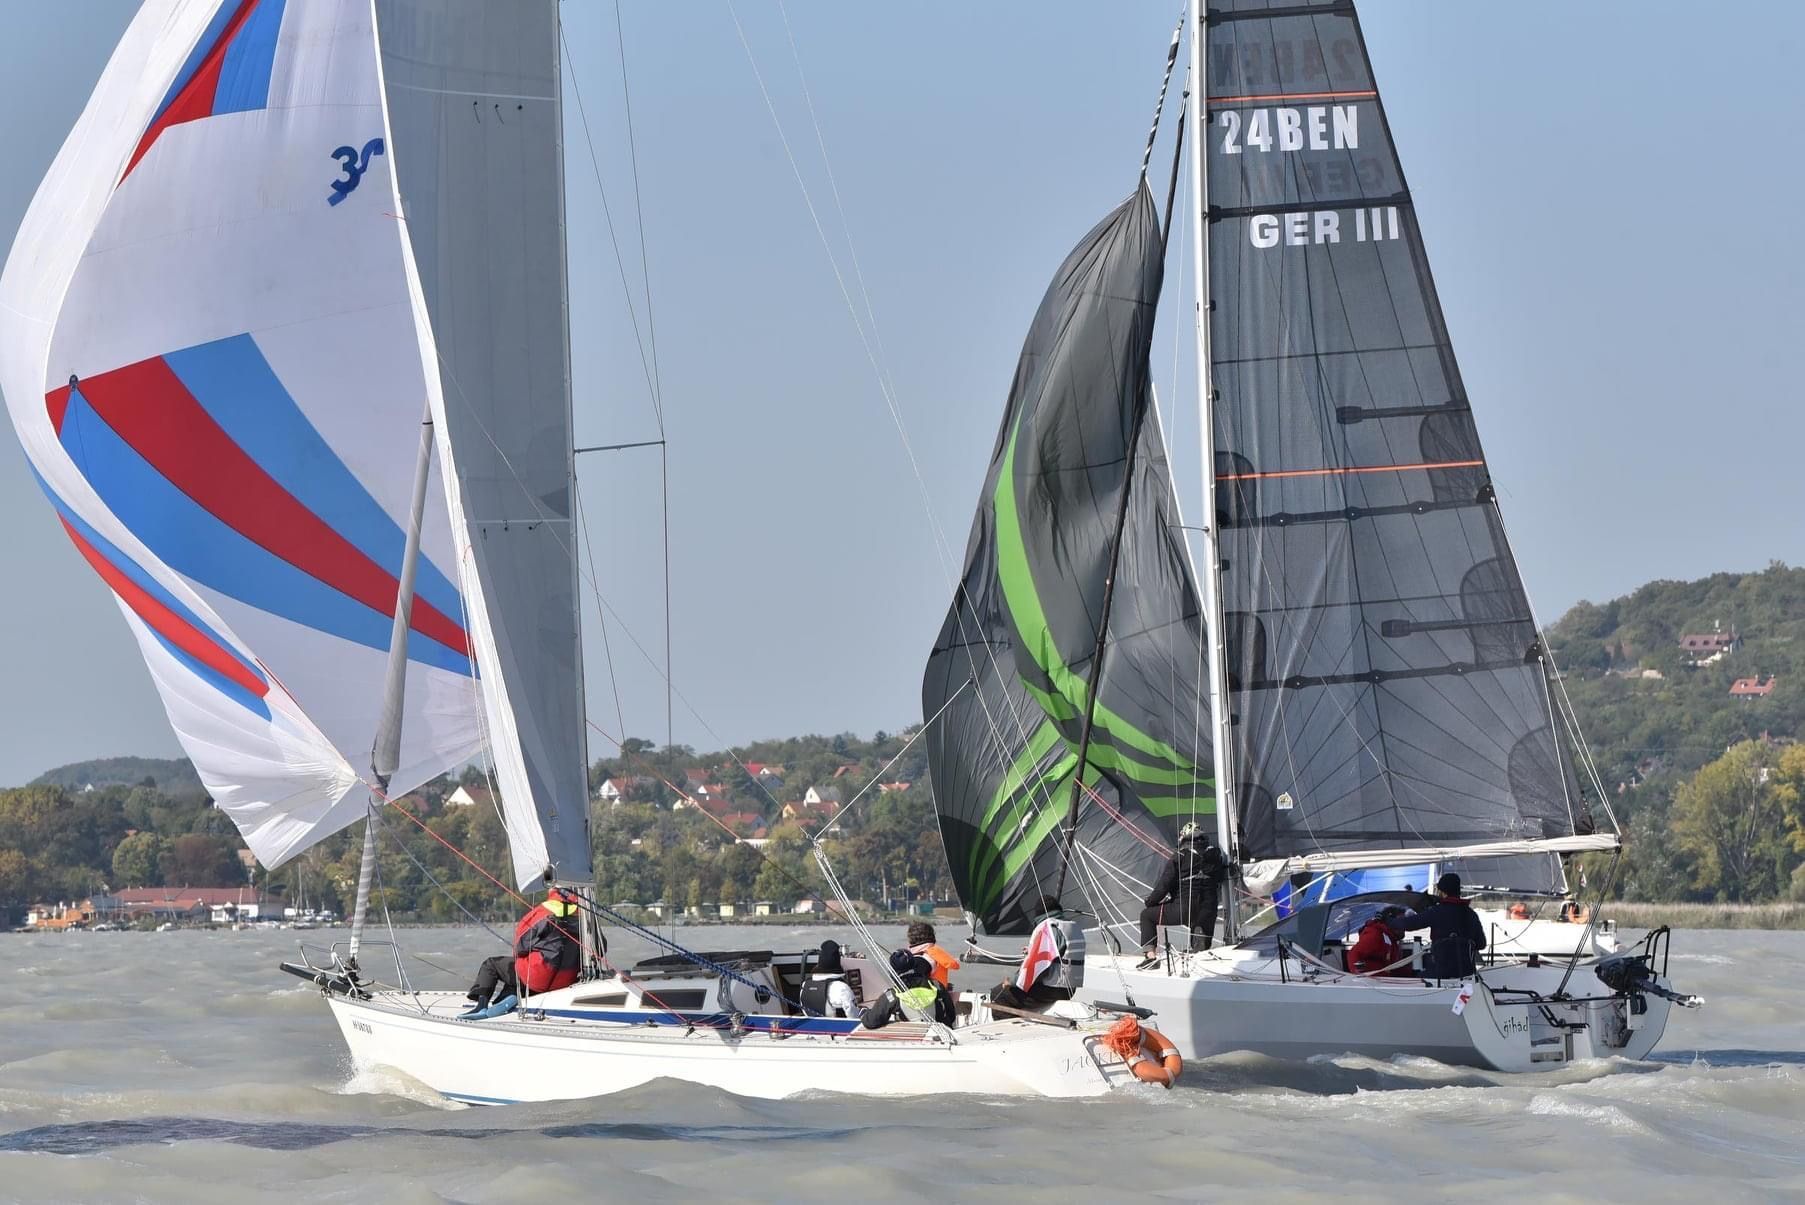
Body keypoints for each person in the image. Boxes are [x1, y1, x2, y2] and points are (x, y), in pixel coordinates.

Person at [467, 885, 584, 1009]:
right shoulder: (584, 916)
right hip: (565, 984)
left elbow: (520, 947)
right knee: (519, 972)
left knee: (491, 964)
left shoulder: (542, 911)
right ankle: (510, 995)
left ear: (552, 891)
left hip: (536, 979)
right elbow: (600, 949)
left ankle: (481, 1005)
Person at [1139, 822, 1227, 959]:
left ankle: (1150, 958)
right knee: (1201, 940)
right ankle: (1200, 954)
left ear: (1183, 838)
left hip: (1184, 909)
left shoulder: (1180, 856)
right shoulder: (1216, 856)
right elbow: (1221, 877)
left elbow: (1164, 885)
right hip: (1209, 909)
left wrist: (1151, 902)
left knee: (1146, 916)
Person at [1397, 873, 1487, 978]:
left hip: (1440, 973)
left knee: (1414, 977)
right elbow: (1481, 944)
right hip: (1466, 973)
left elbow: (1411, 924)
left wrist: (1389, 921)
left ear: (1443, 892)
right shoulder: (1471, 914)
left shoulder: (1436, 912)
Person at [861, 949, 955, 1030]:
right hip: (941, 1036)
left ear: (893, 971)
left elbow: (871, 1022)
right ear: (915, 964)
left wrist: (863, 1013)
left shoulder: (893, 995)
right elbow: (951, 1015)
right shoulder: (936, 985)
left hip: (913, 1040)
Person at [799, 939, 858, 1018]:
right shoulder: (842, 988)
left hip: (811, 1026)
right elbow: (853, 1015)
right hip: (837, 1028)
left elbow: (803, 1007)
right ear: (837, 962)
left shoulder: (805, 985)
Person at [1347, 905, 1409, 976]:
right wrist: (1359, 976)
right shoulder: (1375, 935)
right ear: (1390, 921)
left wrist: (1413, 974)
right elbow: (1353, 953)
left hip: (1384, 979)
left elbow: (1392, 966)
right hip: (1372, 981)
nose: (1403, 925)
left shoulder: (1391, 938)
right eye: (1400, 921)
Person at [907, 921, 961, 990]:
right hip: (935, 994)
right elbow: (954, 965)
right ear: (932, 936)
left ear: (910, 939)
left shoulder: (907, 956)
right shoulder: (932, 952)